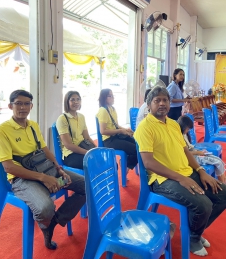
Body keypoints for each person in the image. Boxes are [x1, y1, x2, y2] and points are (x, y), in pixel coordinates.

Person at [134, 86, 226, 256]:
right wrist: (180, 178)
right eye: (157, 101)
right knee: (204, 205)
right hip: (162, 179)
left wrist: (200, 171)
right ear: (149, 105)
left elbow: (185, 151)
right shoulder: (145, 127)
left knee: (222, 193)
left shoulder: (174, 124)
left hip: (186, 172)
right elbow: (148, 163)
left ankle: (194, 233)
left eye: (165, 100)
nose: (162, 103)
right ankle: (194, 237)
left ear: (169, 103)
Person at [0, 90, 86, 250]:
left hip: (46, 170)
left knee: (86, 186)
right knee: (44, 209)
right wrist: (43, 178)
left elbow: (45, 150)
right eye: (18, 103)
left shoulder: (33, 125)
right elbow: (8, 167)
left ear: (31, 106)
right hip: (21, 178)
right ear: (10, 106)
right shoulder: (2, 131)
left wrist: (59, 168)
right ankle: (46, 223)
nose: (23, 107)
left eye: (26, 103)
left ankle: (54, 222)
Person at [96, 88, 138, 171]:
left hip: (116, 137)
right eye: (109, 96)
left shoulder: (112, 109)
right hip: (109, 140)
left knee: (138, 144)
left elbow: (116, 125)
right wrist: (120, 131)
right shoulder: (103, 110)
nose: (112, 98)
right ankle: (126, 167)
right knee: (135, 149)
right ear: (104, 98)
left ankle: (125, 163)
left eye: (112, 95)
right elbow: (103, 131)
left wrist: (126, 130)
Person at [178, 115, 225, 183]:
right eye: (188, 129)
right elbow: (185, 153)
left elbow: (190, 148)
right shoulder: (179, 136)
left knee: (219, 161)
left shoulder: (184, 134)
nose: (188, 131)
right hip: (191, 158)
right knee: (218, 163)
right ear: (183, 126)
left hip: (194, 154)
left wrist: (199, 151)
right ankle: (222, 183)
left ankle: (223, 181)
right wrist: (198, 153)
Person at [56, 91, 96, 170]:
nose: (76, 102)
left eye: (78, 99)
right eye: (72, 100)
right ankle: (91, 182)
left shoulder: (81, 117)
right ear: (67, 102)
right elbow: (68, 145)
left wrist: (96, 149)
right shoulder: (63, 119)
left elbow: (87, 137)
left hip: (84, 148)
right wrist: (87, 153)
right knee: (95, 164)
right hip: (71, 154)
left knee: (110, 162)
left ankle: (102, 182)